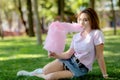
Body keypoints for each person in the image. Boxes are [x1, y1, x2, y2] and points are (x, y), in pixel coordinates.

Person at [17, 8, 108, 80]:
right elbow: (68, 54)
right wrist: (55, 55)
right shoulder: (76, 36)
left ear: (92, 20)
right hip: (69, 60)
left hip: (80, 68)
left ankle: (36, 74)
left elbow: (100, 56)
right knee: (45, 70)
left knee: (50, 77)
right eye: (80, 19)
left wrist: (104, 75)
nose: (81, 22)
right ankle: (32, 73)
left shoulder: (96, 34)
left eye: (85, 20)